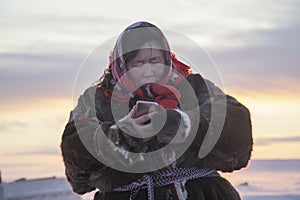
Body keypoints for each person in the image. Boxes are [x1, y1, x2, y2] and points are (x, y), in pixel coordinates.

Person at [61, 21, 253, 200]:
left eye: (155, 60)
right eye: (138, 63)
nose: (148, 70)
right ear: (122, 64)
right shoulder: (98, 99)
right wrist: (124, 134)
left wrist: (180, 124)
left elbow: (237, 134)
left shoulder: (194, 87)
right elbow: (77, 166)